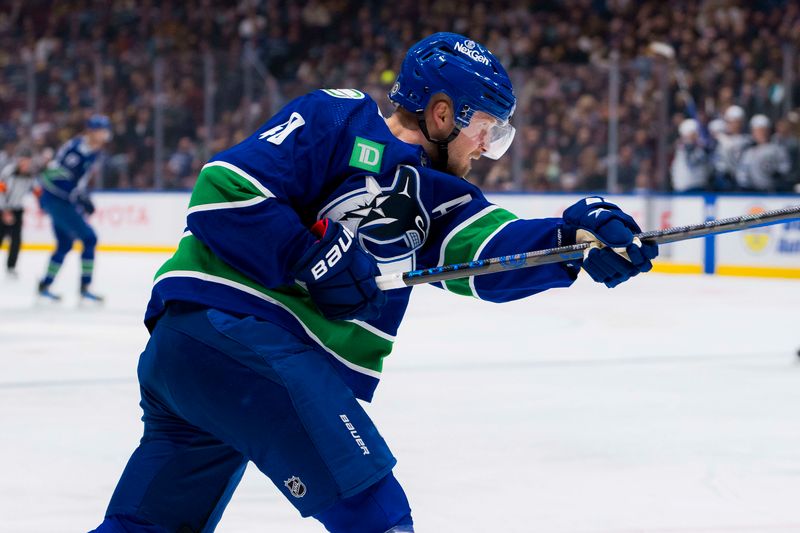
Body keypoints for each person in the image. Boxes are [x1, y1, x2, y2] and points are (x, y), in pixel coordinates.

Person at [91, 33, 657, 533]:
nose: (487, 148)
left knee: (146, 526)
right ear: (442, 114)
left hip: (191, 356)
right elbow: (225, 190)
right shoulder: (336, 117)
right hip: (241, 335)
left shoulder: (441, 195)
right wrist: (315, 258)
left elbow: (488, 254)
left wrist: (573, 239)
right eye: (486, 129)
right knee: (376, 518)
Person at [36, 114, 110, 301]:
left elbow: (76, 181)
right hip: (58, 200)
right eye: (101, 131)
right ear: (92, 131)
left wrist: (81, 195)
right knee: (90, 238)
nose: (104, 135)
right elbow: (53, 176)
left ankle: (45, 285)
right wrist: (78, 196)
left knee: (64, 244)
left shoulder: (93, 150)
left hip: (61, 200)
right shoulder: (77, 150)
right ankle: (85, 287)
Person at [0, 147, 36, 277]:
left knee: (16, 240)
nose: (25, 164)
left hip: (17, 209)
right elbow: (1, 191)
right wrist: (5, 211)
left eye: (27, 162)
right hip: (3, 209)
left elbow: (34, 188)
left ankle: (11, 267)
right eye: (23, 161)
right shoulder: (9, 172)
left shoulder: (30, 174)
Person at [736, 114, 791, 193]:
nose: (762, 134)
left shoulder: (777, 149)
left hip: (774, 191)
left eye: (764, 130)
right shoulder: (748, 152)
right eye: (758, 131)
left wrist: (778, 175)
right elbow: (742, 174)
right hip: (753, 192)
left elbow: (785, 167)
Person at [670, 118, 711, 193]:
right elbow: (692, 161)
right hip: (685, 188)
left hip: (699, 186)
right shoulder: (683, 147)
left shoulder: (698, 147)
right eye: (693, 133)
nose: (696, 136)